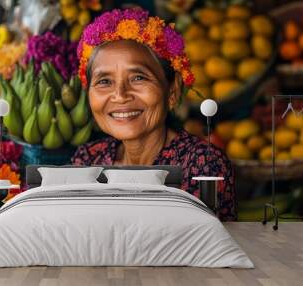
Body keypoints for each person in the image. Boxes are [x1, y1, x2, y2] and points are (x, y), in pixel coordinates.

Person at [70, 8, 236, 221]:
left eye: (138, 78)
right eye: (104, 81)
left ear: (173, 90)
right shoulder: (88, 159)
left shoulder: (202, 164)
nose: (120, 96)